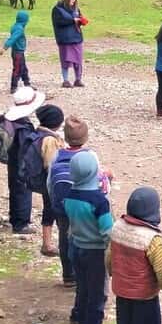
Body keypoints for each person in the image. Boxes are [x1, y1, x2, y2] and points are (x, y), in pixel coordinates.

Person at [108, 187, 162, 324]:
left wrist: (113, 273)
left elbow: (109, 256)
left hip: (121, 289)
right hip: (144, 295)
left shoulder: (117, 227)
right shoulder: (152, 238)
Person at [63, 150, 117, 324]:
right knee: (98, 294)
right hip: (95, 252)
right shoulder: (99, 201)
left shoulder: (69, 195)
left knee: (83, 287)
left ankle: (81, 319)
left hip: (76, 247)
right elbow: (107, 231)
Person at [0, 86, 45, 234]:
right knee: (23, 191)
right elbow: (27, 146)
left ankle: (14, 218)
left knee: (14, 189)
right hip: (22, 163)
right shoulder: (23, 126)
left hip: (12, 161)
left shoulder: (7, 119)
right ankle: (21, 224)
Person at [47, 116, 102, 289]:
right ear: (85, 137)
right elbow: (98, 180)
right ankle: (84, 275)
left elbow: (50, 181)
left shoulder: (57, 155)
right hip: (84, 206)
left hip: (63, 207)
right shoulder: (90, 156)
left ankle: (68, 276)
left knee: (64, 237)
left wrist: (54, 202)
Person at [34, 104, 66, 257]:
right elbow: (50, 163)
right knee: (51, 211)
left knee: (49, 210)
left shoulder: (38, 133)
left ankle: (47, 243)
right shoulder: (50, 140)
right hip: (50, 182)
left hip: (44, 180)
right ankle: (47, 244)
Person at [51, 0, 88, 88]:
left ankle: (78, 79)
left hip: (76, 37)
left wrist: (81, 21)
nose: (73, 0)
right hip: (64, 39)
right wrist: (73, 21)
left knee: (78, 60)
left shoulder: (76, 9)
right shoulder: (57, 9)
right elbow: (58, 22)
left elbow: (79, 18)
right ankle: (66, 80)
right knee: (65, 60)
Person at [3, 10, 31, 93]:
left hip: (18, 52)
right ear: (24, 20)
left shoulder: (16, 26)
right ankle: (13, 87)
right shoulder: (19, 29)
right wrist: (5, 47)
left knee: (24, 68)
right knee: (18, 69)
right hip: (17, 52)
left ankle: (27, 84)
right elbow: (13, 38)